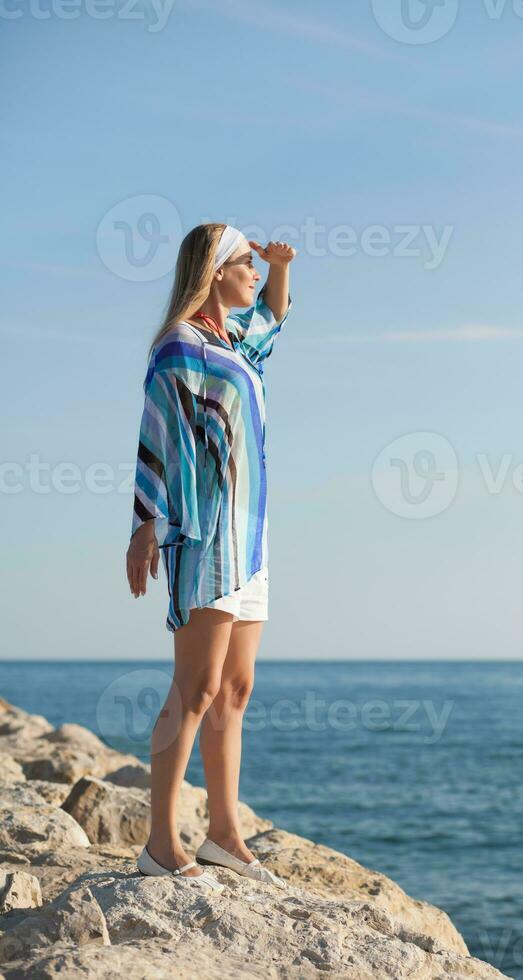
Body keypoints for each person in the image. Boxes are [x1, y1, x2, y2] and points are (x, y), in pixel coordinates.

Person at [125, 223, 296, 891]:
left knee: (235, 689)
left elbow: (273, 321)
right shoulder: (180, 346)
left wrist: (281, 267)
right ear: (214, 269)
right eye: (247, 263)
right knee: (193, 689)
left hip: (250, 537)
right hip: (204, 532)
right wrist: (145, 524)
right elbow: (158, 434)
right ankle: (161, 844)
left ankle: (224, 833)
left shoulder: (235, 345)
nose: (254, 272)